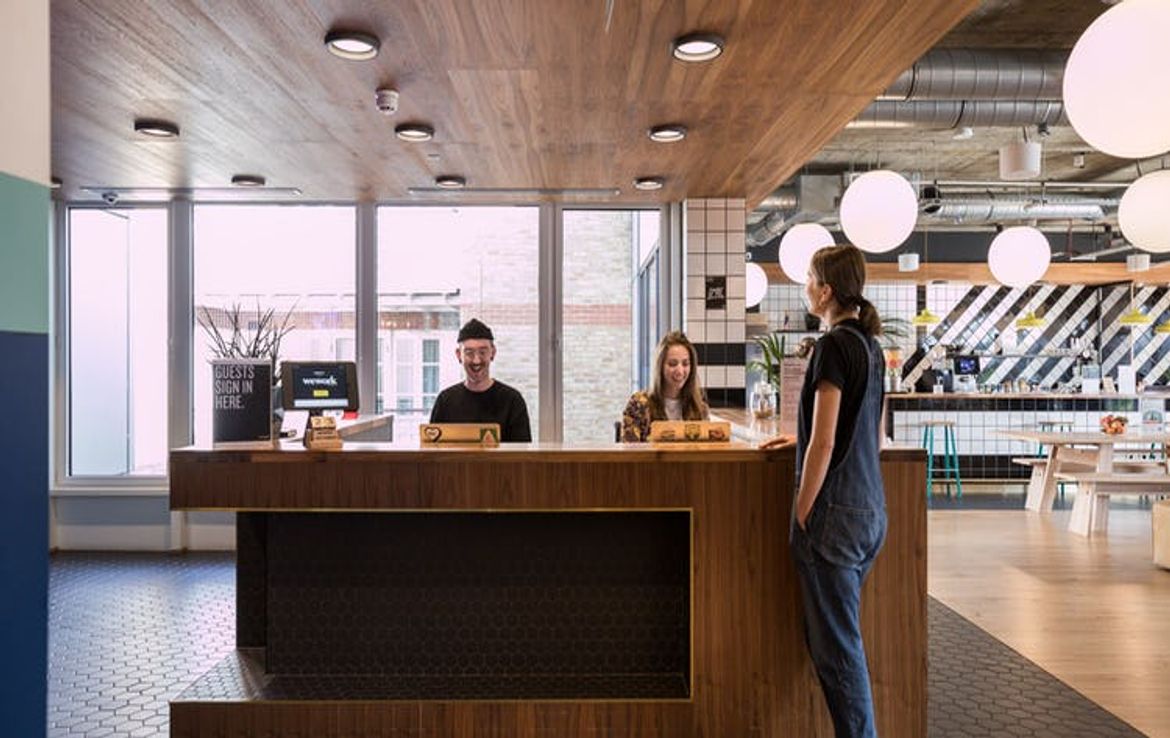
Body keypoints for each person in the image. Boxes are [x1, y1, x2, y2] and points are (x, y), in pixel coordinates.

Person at [762, 244, 887, 737]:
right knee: (839, 644)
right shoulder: (871, 347)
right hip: (870, 512)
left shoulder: (832, 346)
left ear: (827, 291)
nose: (806, 287)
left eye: (810, 279)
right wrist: (799, 438)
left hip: (834, 519)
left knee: (839, 653)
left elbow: (827, 440)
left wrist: (802, 511)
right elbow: (869, 435)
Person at [429, 318, 532, 442]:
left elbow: (522, 451)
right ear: (459, 355)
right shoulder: (445, 401)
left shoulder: (512, 401)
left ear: (493, 353)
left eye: (482, 352)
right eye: (469, 353)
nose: (476, 360)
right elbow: (432, 449)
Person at [620, 331, 708, 442]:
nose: (680, 371)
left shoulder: (699, 407)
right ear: (660, 367)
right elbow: (629, 449)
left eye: (685, 364)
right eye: (672, 364)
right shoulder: (638, 405)